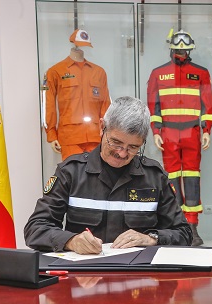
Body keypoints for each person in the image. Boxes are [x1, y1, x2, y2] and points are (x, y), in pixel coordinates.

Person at [25, 96, 193, 254]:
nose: (122, 153)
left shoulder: (155, 177)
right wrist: (71, 241)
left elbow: (184, 233)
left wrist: (151, 238)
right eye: (116, 142)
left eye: (133, 147)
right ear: (101, 127)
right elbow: (35, 228)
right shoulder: (71, 172)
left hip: (139, 277)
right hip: (85, 276)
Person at [147, 29, 212, 246]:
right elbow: (154, 106)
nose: (182, 53)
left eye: (185, 49)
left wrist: (206, 130)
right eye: (178, 49)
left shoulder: (201, 73)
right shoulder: (158, 74)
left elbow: (207, 105)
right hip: (168, 134)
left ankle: (193, 228)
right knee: (172, 180)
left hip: (192, 133)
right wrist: (156, 132)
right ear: (172, 48)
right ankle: (177, 227)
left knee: (193, 180)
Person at [42, 29, 111, 160]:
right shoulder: (56, 71)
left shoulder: (99, 72)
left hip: (95, 136)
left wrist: (108, 134)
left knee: (96, 176)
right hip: (69, 137)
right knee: (72, 176)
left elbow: (106, 104)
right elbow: (48, 104)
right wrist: (51, 135)